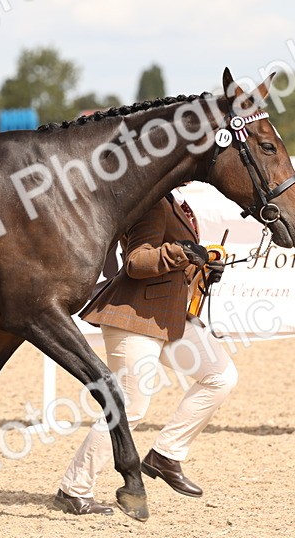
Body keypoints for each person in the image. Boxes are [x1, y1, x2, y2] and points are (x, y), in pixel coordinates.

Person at [54, 190, 235, 519]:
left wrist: (202, 266)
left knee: (220, 376)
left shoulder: (176, 202)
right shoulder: (152, 202)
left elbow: (174, 265)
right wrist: (182, 252)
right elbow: (137, 262)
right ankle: (74, 489)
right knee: (129, 406)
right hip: (134, 316)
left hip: (169, 316)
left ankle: (166, 454)